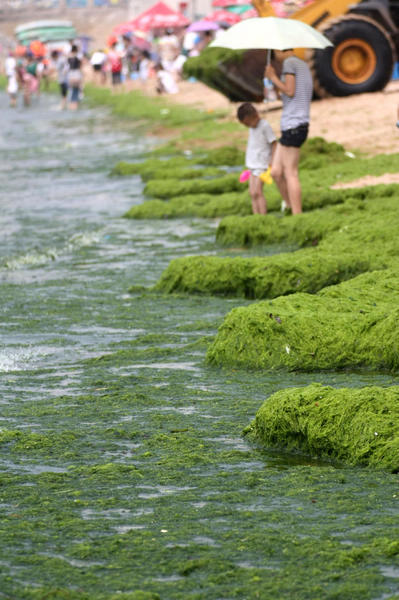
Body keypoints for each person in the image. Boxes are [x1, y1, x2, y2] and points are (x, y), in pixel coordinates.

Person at [265, 49, 313, 214]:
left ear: (279, 50)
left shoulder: (289, 63)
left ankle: (297, 214)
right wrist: (272, 84)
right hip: (291, 125)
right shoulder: (302, 65)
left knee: (290, 173)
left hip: (295, 124)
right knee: (276, 172)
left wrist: (273, 77)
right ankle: (289, 205)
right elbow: (289, 94)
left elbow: (290, 90)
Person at [237, 102, 277, 215]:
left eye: (248, 123)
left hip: (262, 165)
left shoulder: (264, 126)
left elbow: (274, 143)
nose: (248, 126)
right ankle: (256, 215)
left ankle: (262, 215)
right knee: (252, 193)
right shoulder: (252, 128)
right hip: (252, 165)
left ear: (254, 116)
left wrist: (272, 161)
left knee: (258, 192)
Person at [67, 44, 83, 110]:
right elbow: (80, 64)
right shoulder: (78, 56)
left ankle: (71, 105)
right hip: (76, 73)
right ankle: (76, 104)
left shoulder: (69, 56)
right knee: (77, 89)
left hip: (71, 73)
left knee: (72, 89)